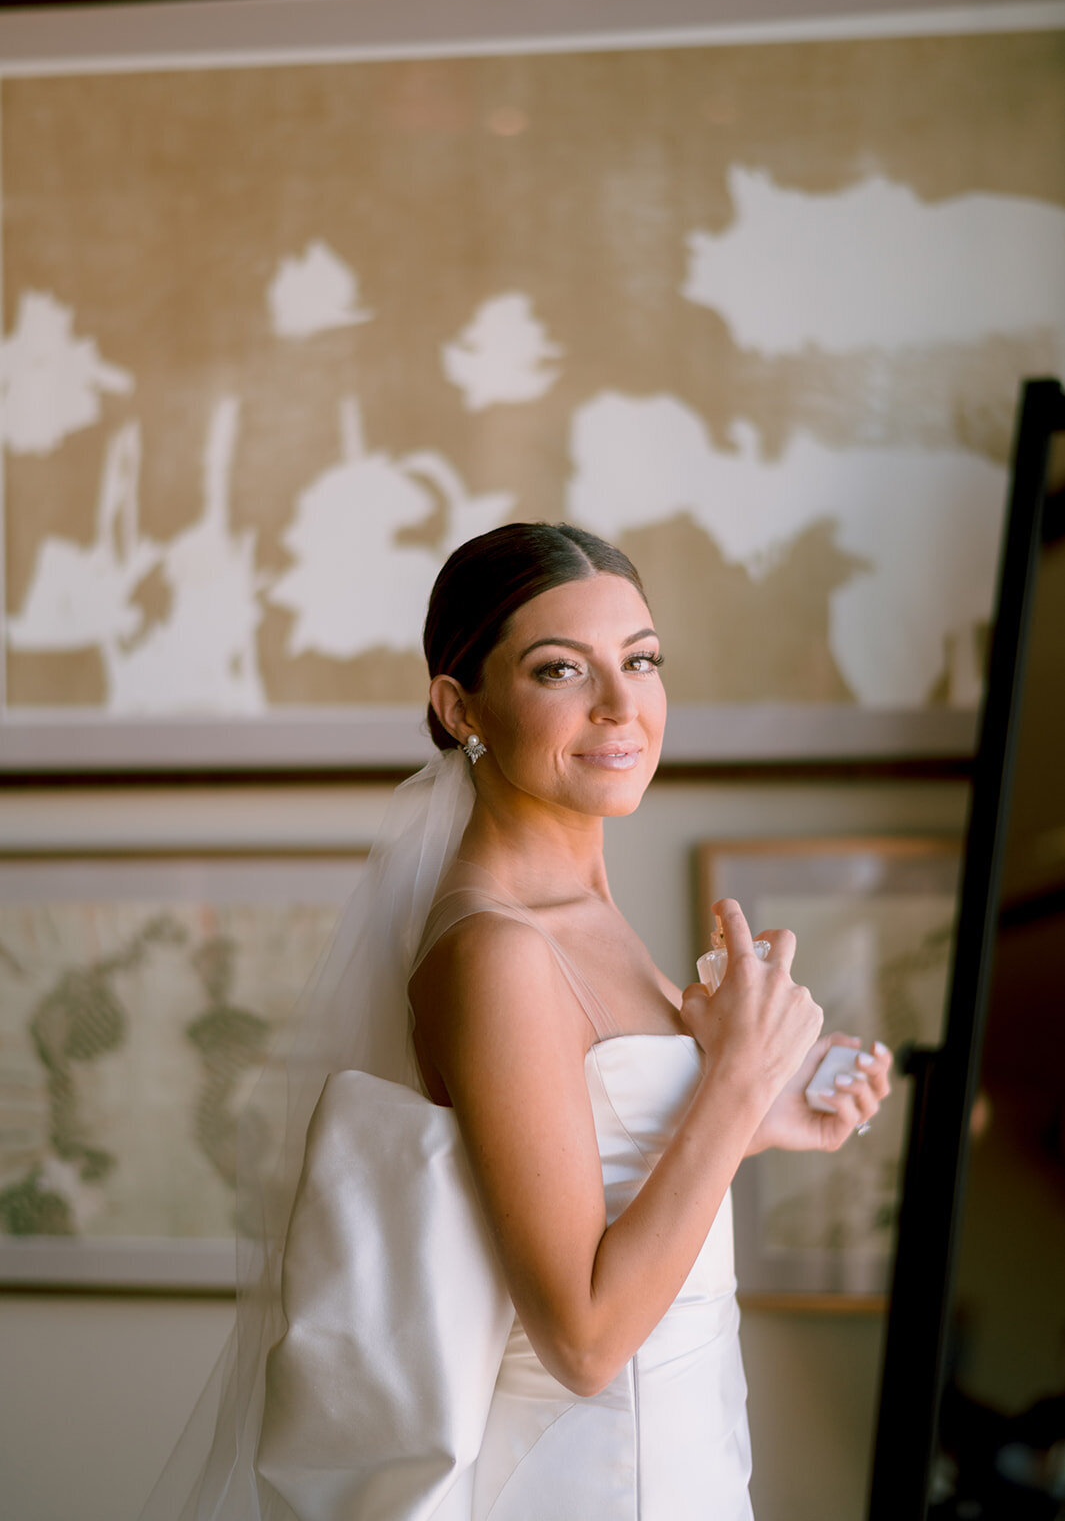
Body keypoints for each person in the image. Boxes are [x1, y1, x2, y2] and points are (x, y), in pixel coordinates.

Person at [143, 521, 891, 1521]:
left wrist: (760, 1116)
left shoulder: (592, 915)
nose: (623, 705)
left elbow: (597, 1175)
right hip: (588, 1484)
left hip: (688, 1462)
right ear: (461, 707)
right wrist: (734, 1082)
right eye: (561, 669)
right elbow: (582, 1339)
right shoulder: (496, 948)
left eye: (642, 660)